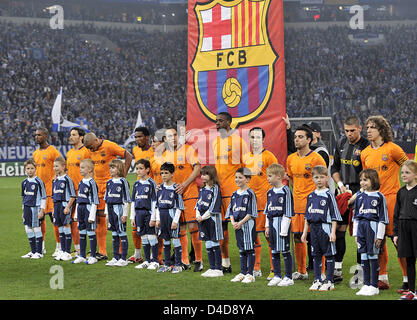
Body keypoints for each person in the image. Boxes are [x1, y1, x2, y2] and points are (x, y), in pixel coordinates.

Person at [361, 115, 409, 290]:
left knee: (398, 241)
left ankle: (407, 279)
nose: (368, 130)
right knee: (377, 242)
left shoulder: (393, 149)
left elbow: (410, 168)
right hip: (372, 203)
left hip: (392, 201)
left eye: (372, 127)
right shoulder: (365, 153)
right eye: (367, 127)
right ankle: (383, 278)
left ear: (381, 130)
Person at [331, 115, 369, 282]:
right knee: (339, 230)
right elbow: (335, 167)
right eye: (346, 131)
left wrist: (358, 192)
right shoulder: (341, 143)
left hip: (360, 192)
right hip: (342, 192)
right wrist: (339, 184)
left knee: (360, 234)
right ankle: (337, 270)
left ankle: (360, 273)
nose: (349, 134)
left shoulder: (366, 146)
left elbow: (369, 174)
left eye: (352, 130)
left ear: (359, 128)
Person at [83, 132, 133, 261]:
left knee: (117, 218)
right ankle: (102, 251)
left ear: (95, 140)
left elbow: (128, 155)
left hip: (112, 187)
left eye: (90, 147)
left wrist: (123, 174)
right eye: (88, 148)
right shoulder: (89, 150)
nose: (90, 150)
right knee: (100, 218)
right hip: (97, 188)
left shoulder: (109, 146)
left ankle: (122, 253)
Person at [286, 126, 326, 280]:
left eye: (301, 137)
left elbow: (323, 180)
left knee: (316, 238)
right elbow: (291, 178)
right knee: (297, 237)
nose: (297, 139)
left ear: (309, 140)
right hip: (297, 205)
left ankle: (321, 272)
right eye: (296, 137)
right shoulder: (291, 159)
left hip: (313, 206)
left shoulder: (316, 158)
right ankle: (302, 271)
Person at [212, 112, 249, 273]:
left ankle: (249, 265)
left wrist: (243, 190)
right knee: (222, 228)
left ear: (229, 122)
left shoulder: (239, 142)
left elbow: (246, 167)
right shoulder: (215, 142)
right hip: (219, 193)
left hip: (235, 193)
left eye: (220, 121)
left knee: (243, 228)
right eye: (216, 121)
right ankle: (225, 263)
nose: (217, 124)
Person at [162, 128, 202, 271]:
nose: (172, 138)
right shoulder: (165, 155)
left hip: (189, 193)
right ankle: (184, 260)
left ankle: (198, 260)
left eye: (174, 135)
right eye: (169, 136)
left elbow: (197, 168)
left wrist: (185, 184)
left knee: (193, 227)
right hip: (174, 196)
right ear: (165, 140)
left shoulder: (188, 149)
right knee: (180, 229)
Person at [243, 127, 279, 279]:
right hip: (251, 203)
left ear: (263, 139)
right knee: (252, 236)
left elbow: (277, 179)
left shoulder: (269, 157)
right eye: (252, 137)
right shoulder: (245, 157)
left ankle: (273, 269)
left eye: (258, 137)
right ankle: (256, 267)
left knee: (269, 236)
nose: (254, 140)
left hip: (266, 203)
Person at [301, 166, 342, 291]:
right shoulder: (311, 196)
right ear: (312, 179)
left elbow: (335, 215)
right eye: (316, 177)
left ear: (327, 178)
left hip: (326, 228)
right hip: (313, 229)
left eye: (322, 177)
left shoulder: (329, 195)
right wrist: (304, 233)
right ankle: (318, 280)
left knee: (329, 255)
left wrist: (333, 232)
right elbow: (307, 217)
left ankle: (329, 281)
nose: (319, 180)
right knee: (316, 255)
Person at [352, 169, 389, 296]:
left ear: (373, 180)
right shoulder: (360, 197)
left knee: (372, 256)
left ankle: (374, 285)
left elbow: (383, 219)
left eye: (365, 180)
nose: (362, 182)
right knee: (363, 256)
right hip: (361, 228)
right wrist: (355, 234)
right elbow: (356, 217)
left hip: (373, 227)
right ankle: (366, 284)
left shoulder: (380, 197)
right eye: (361, 180)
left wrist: (379, 236)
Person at [32, 127, 63, 256]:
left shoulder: (53, 151)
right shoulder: (35, 153)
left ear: (45, 136)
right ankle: (41, 247)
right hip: (39, 192)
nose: (36, 137)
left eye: (39, 135)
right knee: (39, 220)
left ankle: (59, 247)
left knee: (54, 219)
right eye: (35, 135)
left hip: (51, 191)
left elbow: (61, 165)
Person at [264, 163, 294, 287]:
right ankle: (277, 275)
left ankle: (288, 277)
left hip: (282, 224)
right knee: (274, 251)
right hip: (272, 224)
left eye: (270, 176)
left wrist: (284, 229)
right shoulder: (270, 192)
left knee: (285, 251)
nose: (267, 178)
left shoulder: (286, 190)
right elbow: (267, 210)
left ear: (279, 176)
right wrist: (266, 226)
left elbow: (288, 211)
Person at [226, 167, 258, 284]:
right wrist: (233, 221)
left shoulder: (250, 193)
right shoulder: (234, 194)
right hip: (237, 225)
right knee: (241, 248)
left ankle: (250, 274)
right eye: (236, 177)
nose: (237, 180)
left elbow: (252, 212)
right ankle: (243, 272)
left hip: (247, 224)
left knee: (249, 248)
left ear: (248, 179)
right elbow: (230, 210)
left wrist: (240, 222)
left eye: (240, 177)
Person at [129, 126, 154, 264]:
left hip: (151, 189)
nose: (138, 139)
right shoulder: (135, 150)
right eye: (136, 137)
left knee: (154, 225)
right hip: (139, 188)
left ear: (147, 137)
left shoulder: (155, 149)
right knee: (135, 225)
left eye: (140, 136)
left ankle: (157, 256)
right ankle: (137, 254)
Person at [155, 162, 185, 274]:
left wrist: (175, 221)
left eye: (166, 173)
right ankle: (167, 264)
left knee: (176, 240)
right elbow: (157, 205)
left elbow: (179, 207)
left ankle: (178, 264)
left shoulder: (176, 188)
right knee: (166, 240)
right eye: (162, 173)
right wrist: (158, 219)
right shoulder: (160, 188)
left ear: (172, 174)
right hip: (162, 217)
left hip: (172, 217)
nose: (163, 175)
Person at [393, 160, 417, 300]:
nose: (404, 175)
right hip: (403, 229)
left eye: (407, 172)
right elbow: (396, 214)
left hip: (415, 228)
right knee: (409, 260)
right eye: (402, 172)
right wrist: (396, 233)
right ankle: (412, 291)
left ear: (415, 175)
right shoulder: (401, 192)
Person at [130, 159, 159, 270]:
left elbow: (154, 201)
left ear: (147, 170)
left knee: (151, 236)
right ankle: (146, 260)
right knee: (143, 237)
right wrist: (132, 216)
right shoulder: (136, 184)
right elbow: (133, 201)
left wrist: (153, 217)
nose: (138, 171)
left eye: (141, 168)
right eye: (137, 168)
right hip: (139, 214)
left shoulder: (151, 183)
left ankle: (155, 260)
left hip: (148, 213)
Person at [195, 165, 224, 278]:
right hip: (202, 220)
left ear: (211, 175)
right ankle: (212, 268)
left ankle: (219, 269)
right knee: (208, 243)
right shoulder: (202, 189)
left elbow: (213, 207)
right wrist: (198, 215)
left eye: (205, 174)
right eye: (202, 174)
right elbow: (198, 204)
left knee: (214, 243)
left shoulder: (215, 188)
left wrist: (203, 217)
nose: (203, 176)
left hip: (212, 220)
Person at [104, 159, 131, 267]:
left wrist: (125, 214)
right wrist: (106, 213)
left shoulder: (123, 181)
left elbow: (127, 200)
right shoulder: (109, 182)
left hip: (119, 209)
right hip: (110, 210)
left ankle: (123, 258)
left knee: (122, 233)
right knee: (114, 234)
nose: (111, 169)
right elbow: (106, 199)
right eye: (110, 167)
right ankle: (115, 257)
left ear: (119, 169)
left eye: (113, 167)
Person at [72, 159, 100, 265]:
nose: (80, 169)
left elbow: (95, 201)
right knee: (82, 232)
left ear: (90, 170)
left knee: (91, 232)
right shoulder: (81, 182)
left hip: (88, 209)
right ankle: (82, 256)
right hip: (80, 209)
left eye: (83, 167)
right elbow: (79, 198)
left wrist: (92, 215)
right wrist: (76, 214)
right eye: (80, 167)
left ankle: (93, 255)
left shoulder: (92, 183)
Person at [66, 127, 89, 257]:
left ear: (81, 137)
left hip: (83, 192)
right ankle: (77, 248)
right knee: (71, 221)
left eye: (74, 135)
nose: (71, 137)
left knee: (84, 220)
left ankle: (89, 248)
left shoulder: (86, 151)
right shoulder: (69, 153)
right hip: (71, 192)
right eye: (71, 134)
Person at [52, 157, 77, 261]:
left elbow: (73, 195)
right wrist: (54, 209)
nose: (55, 168)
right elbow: (54, 196)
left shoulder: (67, 179)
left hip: (64, 206)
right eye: (54, 166)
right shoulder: (55, 180)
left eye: (57, 166)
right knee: (60, 227)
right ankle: (62, 251)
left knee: (66, 226)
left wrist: (68, 207)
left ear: (63, 166)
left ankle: (67, 252)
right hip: (57, 206)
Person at [21, 159, 47, 259]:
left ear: (35, 169)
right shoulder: (24, 182)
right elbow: (24, 197)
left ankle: (39, 252)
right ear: (25, 170)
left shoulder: (39, 181)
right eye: (28, 168)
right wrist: (23, 210)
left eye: (32, 168)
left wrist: (42, 210)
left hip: (35, 208)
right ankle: (32, 251)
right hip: (27, 208)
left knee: (36, 228)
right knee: (28, 228)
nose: (30, 170)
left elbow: (44, 197)